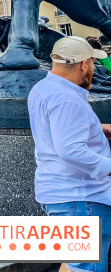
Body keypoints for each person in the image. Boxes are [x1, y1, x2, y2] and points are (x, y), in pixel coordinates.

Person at [28, 36, 111, 272]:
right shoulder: (68, 99)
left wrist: (97, 129)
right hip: (82, 199)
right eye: (94, 64)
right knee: (86, 268)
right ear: (84, 64)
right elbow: (71, 151)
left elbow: (56, 133)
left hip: (62, 196)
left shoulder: (43, 88)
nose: (95, 69)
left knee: (75, 263)